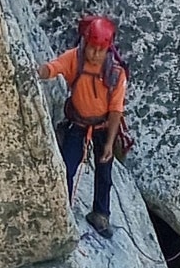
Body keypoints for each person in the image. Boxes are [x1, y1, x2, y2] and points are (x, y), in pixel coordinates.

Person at [38, 16, 126, 236]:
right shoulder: (74, 60)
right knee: (67, 166)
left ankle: (101, 214)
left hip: (103, 128)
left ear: (108, 49)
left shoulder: (115, 73)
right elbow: (54, 67)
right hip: (77, 124)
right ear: (85, 43)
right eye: (92, 48)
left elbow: (116, 109)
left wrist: (109, 142)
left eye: (100, 50)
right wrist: (39, 72)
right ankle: (63, 210)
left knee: (104, 174)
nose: (95, 54)